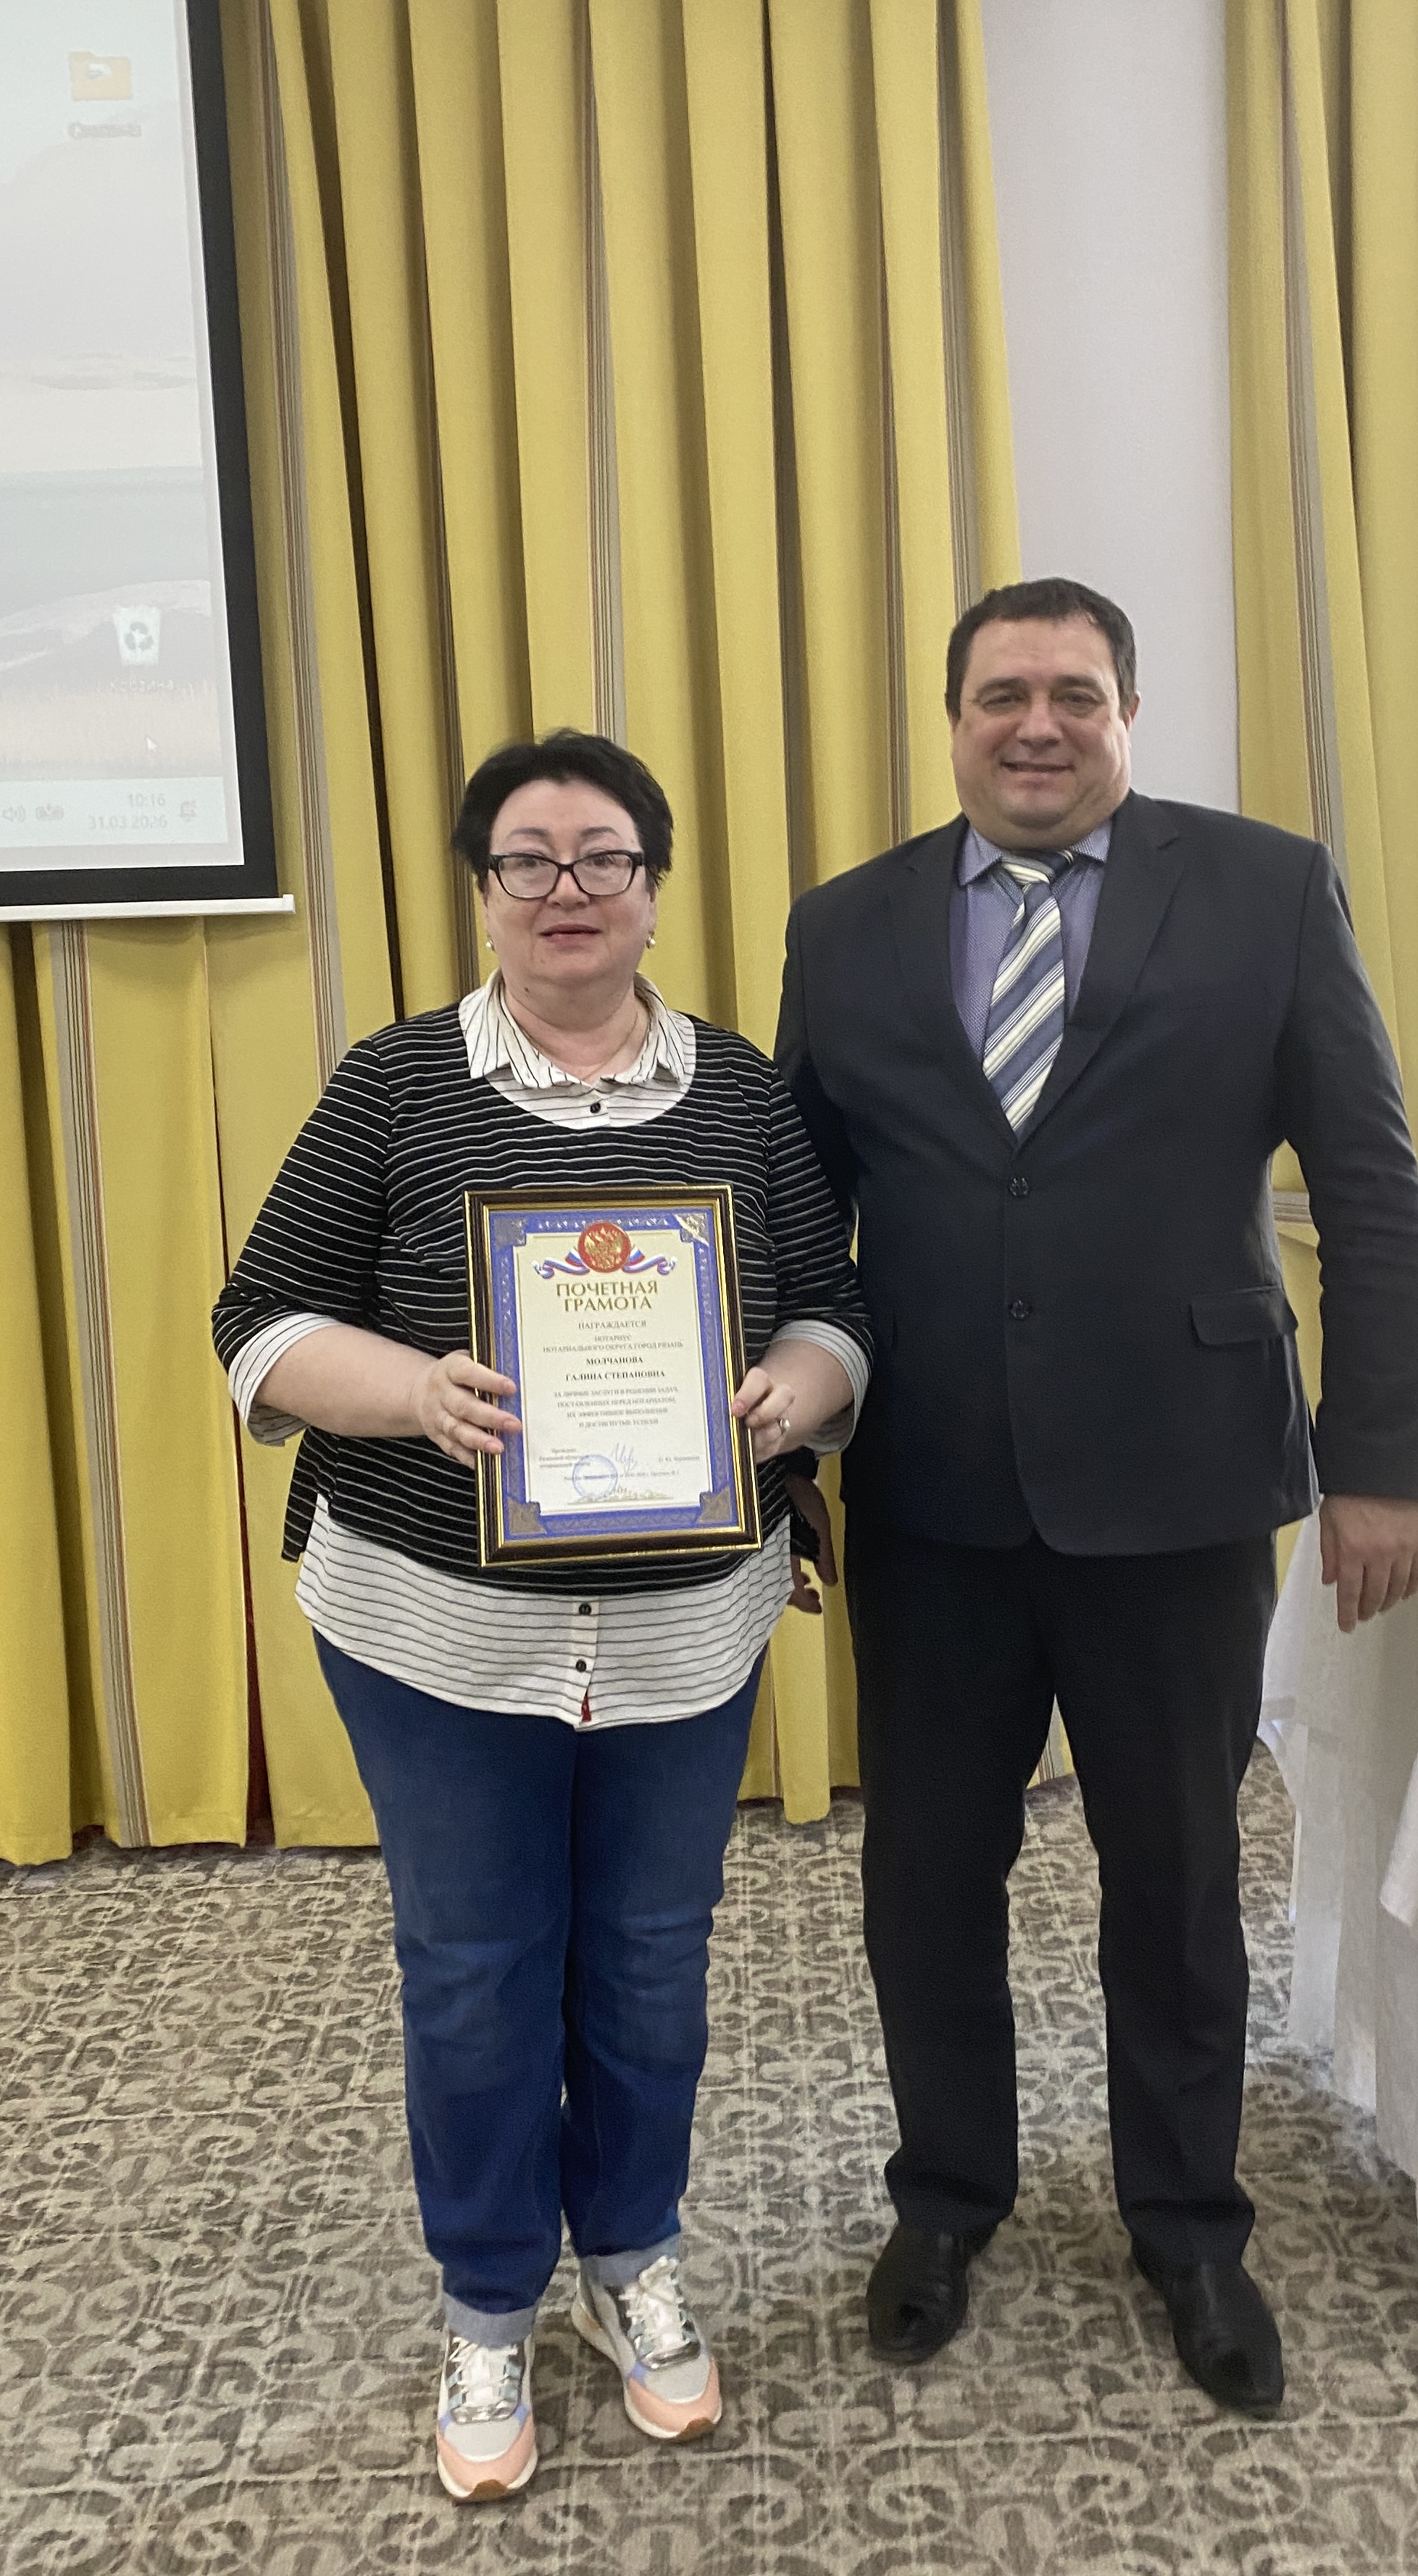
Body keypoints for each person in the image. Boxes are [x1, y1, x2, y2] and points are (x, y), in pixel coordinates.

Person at [775, 577, 1418, 2417]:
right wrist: (773, 1459)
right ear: (954, 718)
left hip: (1185, 1483)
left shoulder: (1267, 890)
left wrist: (1381, 1462)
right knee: (926, 1877)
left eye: (1077, 692)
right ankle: (947, 2196)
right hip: (932, 1491)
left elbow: (1371, 1189)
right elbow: (792, 1217)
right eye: (1003, 693)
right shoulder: (844, 926)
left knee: (1178, 1878)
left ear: (1129, 713)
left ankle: (1189, 2221)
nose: (1038, 723)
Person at [213, 730, 869, 2501]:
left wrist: (795, 1393)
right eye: (528, 859)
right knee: (477, 1968)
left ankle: (631, 2252)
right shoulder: (395, 1082)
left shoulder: (741, 1090)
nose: (567, 890)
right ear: (485, 889)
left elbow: (835, 1306)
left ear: (654, 884)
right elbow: (260, 1322)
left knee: (652, 1961)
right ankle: (490, 2297)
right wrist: (413, 1390)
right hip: (437, 1627)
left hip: (681, 1634)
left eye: (603, 857)